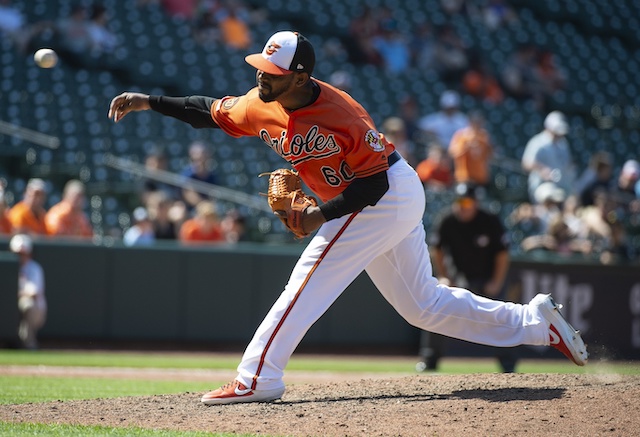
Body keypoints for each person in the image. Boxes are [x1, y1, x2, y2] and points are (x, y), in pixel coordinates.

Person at [108, 30, 588, 405]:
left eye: (272, 71)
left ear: (299, 76)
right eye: (260, 67)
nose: (261, 77)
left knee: (308, 278)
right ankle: (535, 322)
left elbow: (374, 183)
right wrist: (149, 102)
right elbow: (207, 111)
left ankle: (257, 378)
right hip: (372, 200)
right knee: (421, 305)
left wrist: (320, 215)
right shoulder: (262, 103)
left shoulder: (341, 112)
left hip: (386, 194)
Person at [417, 183, 516, 373]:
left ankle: (508, 364)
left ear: (476, 203)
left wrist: (496, 281)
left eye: (468, 202)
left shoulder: (489, 221)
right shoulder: (447, 220)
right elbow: (436, 249)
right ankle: (429, 360)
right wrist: (444, 276)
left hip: (486, 280)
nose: (463, 206)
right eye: (460, 201)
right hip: (458, 280)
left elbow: (502, 255)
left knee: (500, 317)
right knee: (435, 309)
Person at [521, 111, 576, 203]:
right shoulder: (537, 142)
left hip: (561, 187)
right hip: (542, 187)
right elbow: (526, 163)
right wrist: (541, 169)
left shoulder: (563, 144)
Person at [9, 234, 46, 350]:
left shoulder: (34, 269)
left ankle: (28, 343)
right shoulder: (7, 266)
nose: (20, 257)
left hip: (36, 312)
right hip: (10, 306)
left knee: (27, 304)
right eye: (17, 254)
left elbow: (33, 293)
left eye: (23, 254)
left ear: (29, 254)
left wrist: (13, 294)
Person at [448, 110, 494, 188]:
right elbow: (452, 152)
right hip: (464, 176)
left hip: (480, 177)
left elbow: (489, 155)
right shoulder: (461, 136)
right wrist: (467, 146)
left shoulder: (484, 137)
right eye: (475, 122)